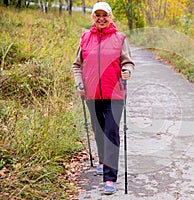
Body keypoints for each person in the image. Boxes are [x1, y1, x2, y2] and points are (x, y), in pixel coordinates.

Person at [72, 2, 134, 195]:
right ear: (93, 17)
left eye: (104, 15)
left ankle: (109, 178)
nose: (101, 18)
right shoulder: (85, 38)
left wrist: (126, 71)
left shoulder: (119, 38)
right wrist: (79, 83)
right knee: (98, 131)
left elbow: (128, 62)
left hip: (114, 95)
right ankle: (102, 160)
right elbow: (77, 65)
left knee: (111, 133)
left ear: (110, 16)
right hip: (92, 94)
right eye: (97, 15)